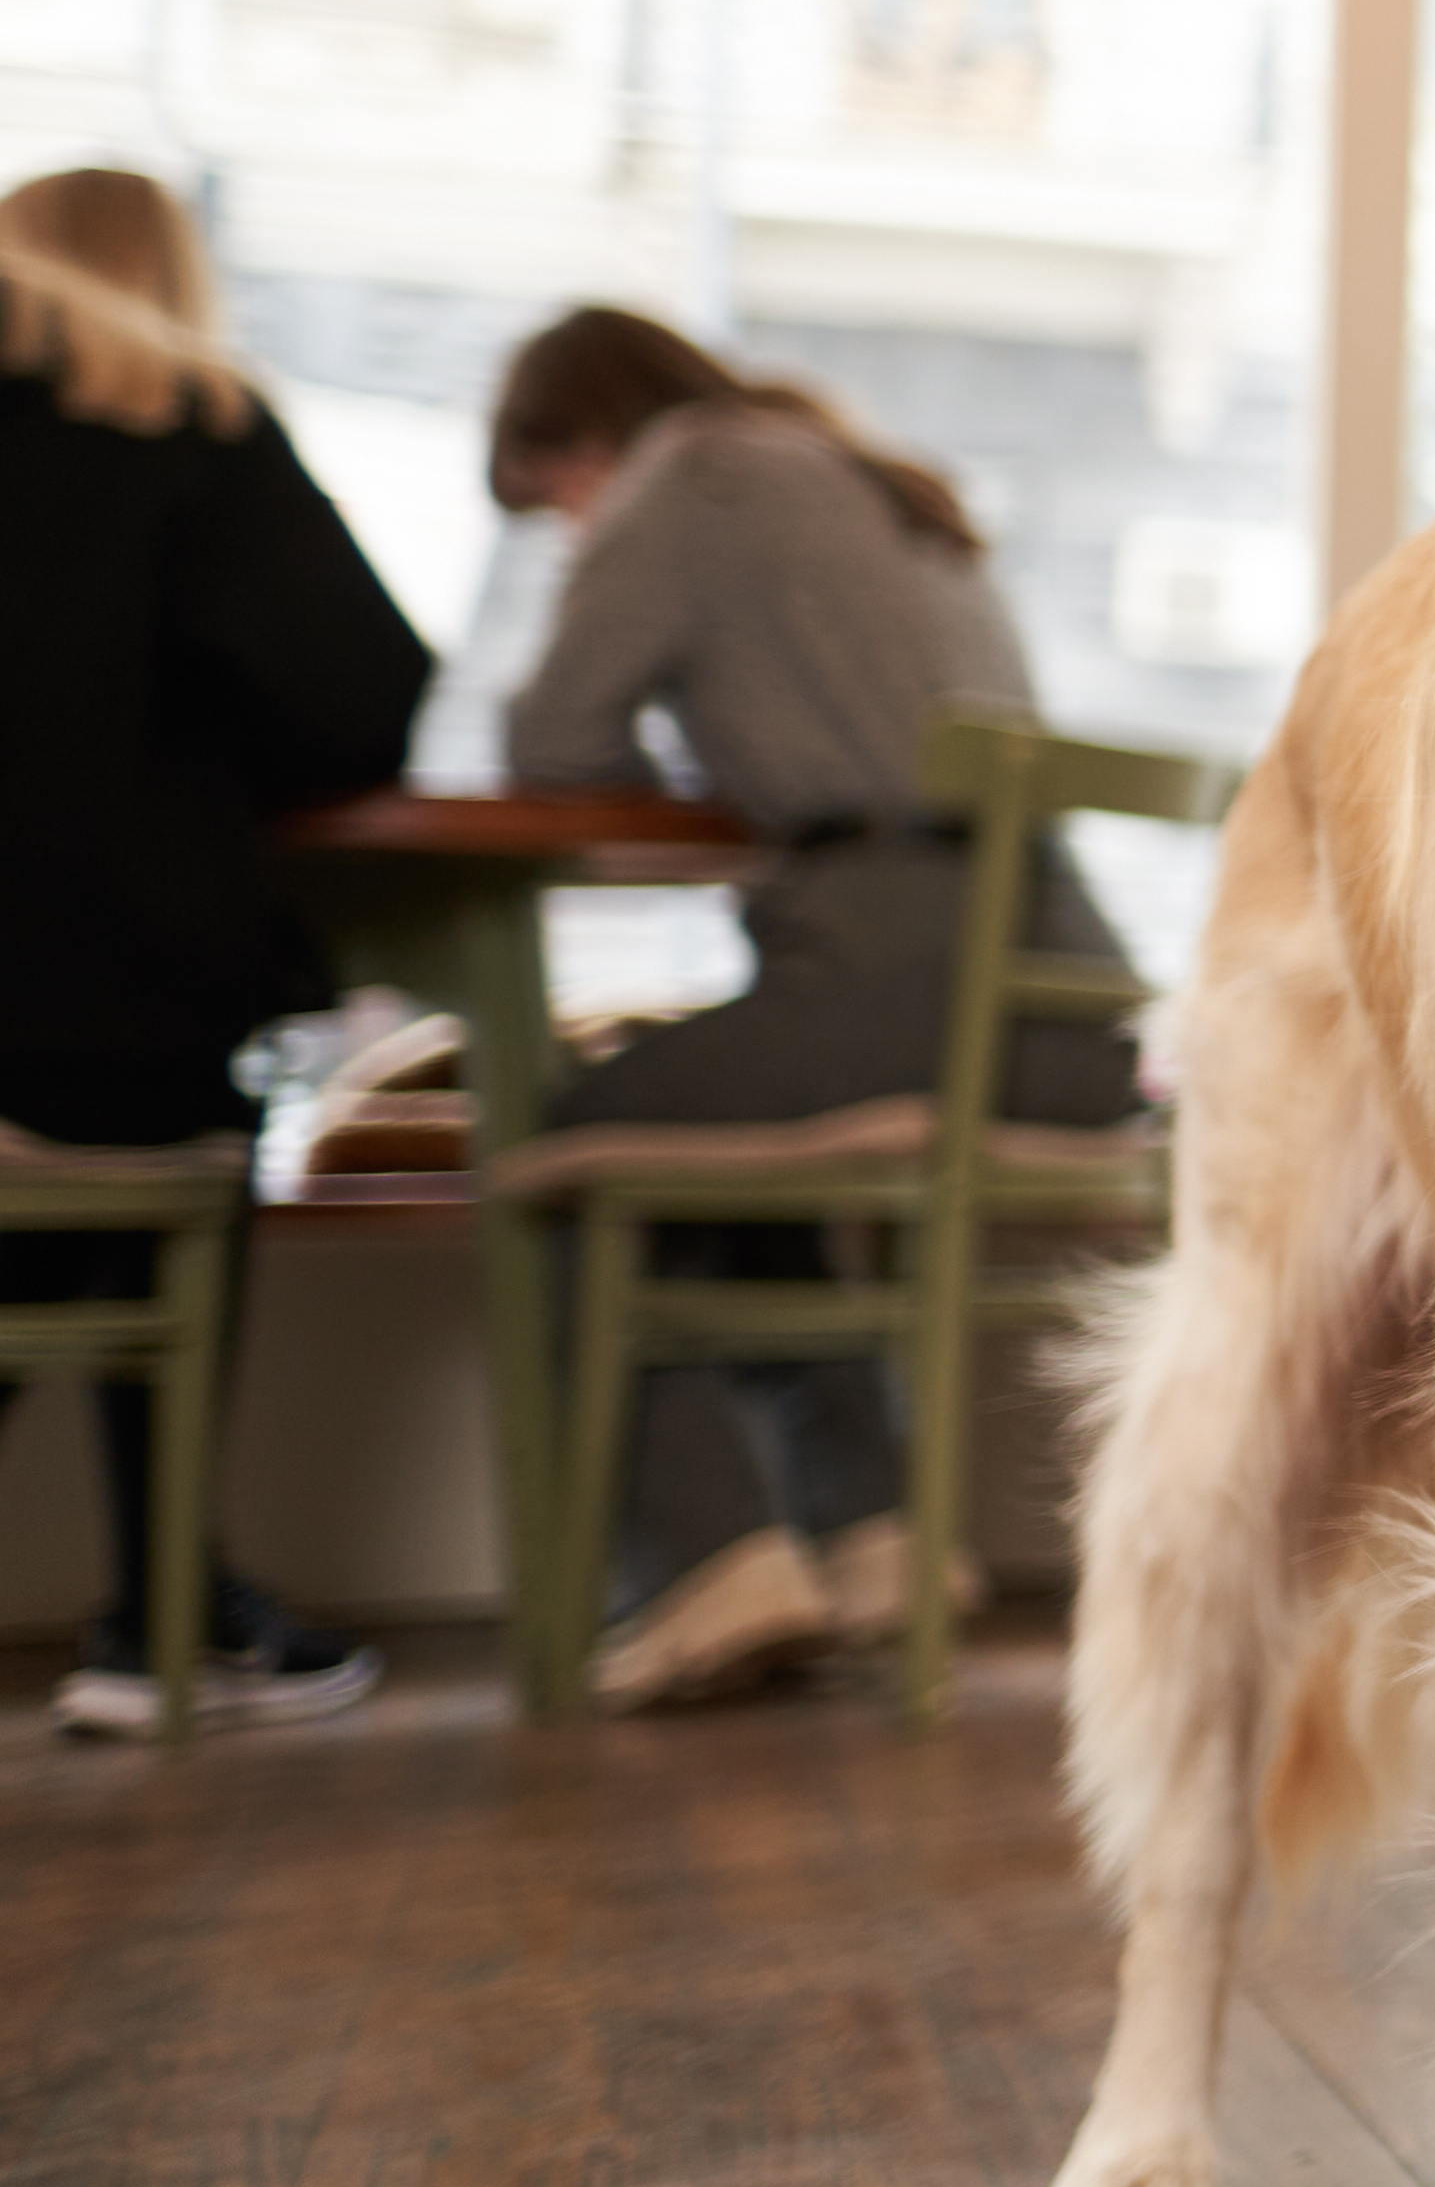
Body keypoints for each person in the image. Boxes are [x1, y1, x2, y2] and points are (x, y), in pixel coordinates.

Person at [488, 307, 1139, 1711]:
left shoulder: (693, 474)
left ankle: (700, 1566)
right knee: (722, 1158)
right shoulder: (872, 477)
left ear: (591, 439)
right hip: (1073, 1000)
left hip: (899, 956)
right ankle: (876, 1540)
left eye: (561, 505)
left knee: (570, 1132)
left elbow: (550, 744)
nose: (574, 534)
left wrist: (703, 765)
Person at [2, 166, 430, 1734]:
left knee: (67, 1180)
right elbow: (362, 698)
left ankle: (172, 1602)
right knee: (161, 1123)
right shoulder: (189, 423)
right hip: (110, 1015)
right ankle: (160, 1615)